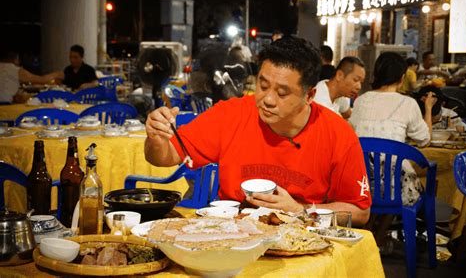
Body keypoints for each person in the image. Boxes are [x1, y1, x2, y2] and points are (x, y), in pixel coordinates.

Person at [145, 36, 371, 225]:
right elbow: (163, 157)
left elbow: (360, 212)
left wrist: (301, 211)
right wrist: (156, 138)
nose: (268, 100)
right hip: (233, 236)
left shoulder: (338, 133)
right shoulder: (232, 114)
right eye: (263, 86)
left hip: (301, 239)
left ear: (309, 96)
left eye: (282, 93)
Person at [349, 52, 437, 249]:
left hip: (362, 183)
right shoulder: (408, 103)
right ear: (402, 77)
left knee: (385, 171)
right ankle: (379, 236)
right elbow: (424, 139)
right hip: (394, 188)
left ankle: (373, 235)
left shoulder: (362, 100)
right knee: (397, 173)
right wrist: (429, 108)